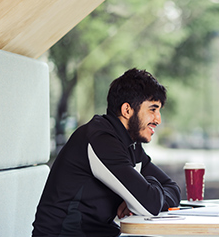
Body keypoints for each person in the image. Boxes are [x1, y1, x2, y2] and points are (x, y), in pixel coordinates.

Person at [32, 68, 181, 237]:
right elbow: (150, 205)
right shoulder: (100, 139)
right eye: (152, 110)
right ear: (127, 110)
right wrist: (141, 194)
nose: (158, 119)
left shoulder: (131, 144)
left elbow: (173, 189)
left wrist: (139, 195)